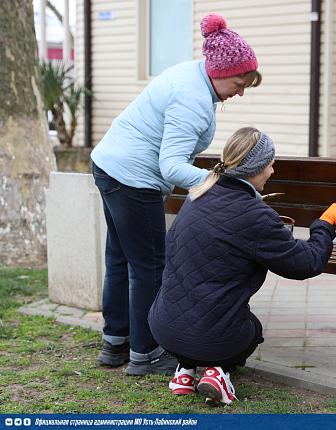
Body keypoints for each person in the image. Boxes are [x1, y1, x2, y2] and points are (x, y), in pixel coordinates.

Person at [90, 13, 262, 376]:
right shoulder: (193, 100)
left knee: (120, 260)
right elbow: (170, 166)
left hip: (109, 165)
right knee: (150, 267)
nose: (241, 92)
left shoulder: (190, 73)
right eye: (239, 82)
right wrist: (221, 183)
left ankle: (115, 343)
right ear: (219, 71)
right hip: (134, 180)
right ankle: (146, 353)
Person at [148, 127, 336, 404]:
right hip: (211, 340)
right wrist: (325, 224)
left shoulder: (197, 195)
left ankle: (185, 371)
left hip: (164, 329)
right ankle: (218, 372)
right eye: (270, 163)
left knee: (204, 310)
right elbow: (307, 263)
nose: (272, 170)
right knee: (251, 329)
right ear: (256, 167)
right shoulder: (255, 215)